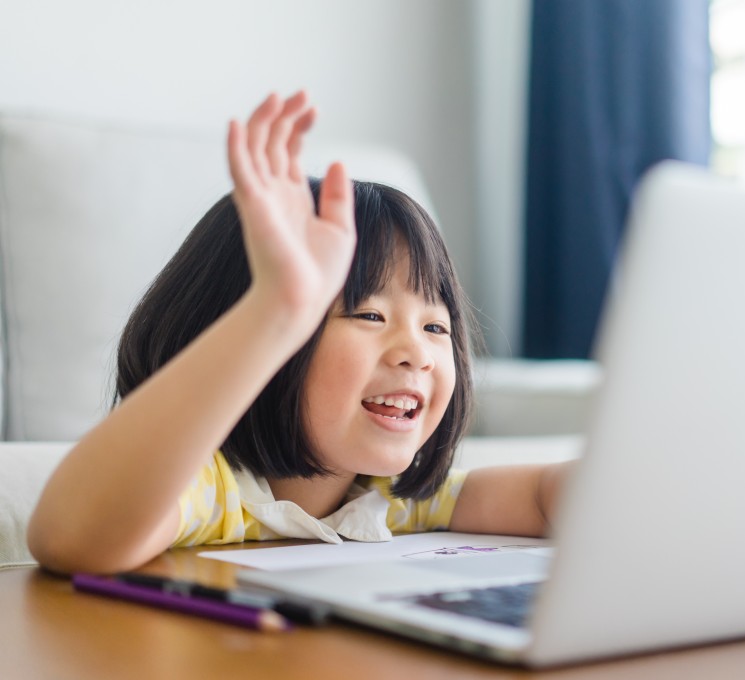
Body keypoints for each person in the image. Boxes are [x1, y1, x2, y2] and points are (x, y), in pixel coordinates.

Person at [27, 92, 571, 575]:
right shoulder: (212, 489)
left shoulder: (392, 498)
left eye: (435, 327)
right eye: (369, 315)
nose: (418, 355)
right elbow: (72, 538)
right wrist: (276, 309)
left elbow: (549, 498)